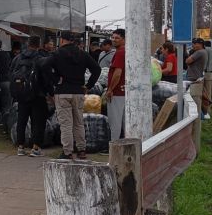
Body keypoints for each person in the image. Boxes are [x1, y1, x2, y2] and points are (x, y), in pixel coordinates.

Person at [44, 31, 101, 159]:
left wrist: (55, 79)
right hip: (79, 91)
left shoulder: (57, 54)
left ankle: (67, 151)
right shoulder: (83, 54)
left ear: (62, 40)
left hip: (62, 92)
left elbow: (44, 66)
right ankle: (81, 150)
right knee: (79, 122)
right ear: (73, 41)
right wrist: (88, 86)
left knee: (66, 124)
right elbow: (97, 69)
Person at [10, 35, 49, 157]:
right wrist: (49, 92)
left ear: (27, 44)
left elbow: (11, 73)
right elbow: (46, 78)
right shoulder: (41, 58)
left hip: (22, 94)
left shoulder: (18, 58)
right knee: (38, 121)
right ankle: (35, 148)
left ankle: (20, 147)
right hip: (38, 94)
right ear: (39, 45)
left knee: (21, 120)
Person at [104, 29, 126, 145]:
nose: (113, 40)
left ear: (124, 39)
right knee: (123, 121)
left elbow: (117, 73)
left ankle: (114, 146)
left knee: (115, 122)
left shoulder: (120, 53)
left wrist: (110, 90)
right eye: (112, 37)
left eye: (117, 38)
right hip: (124, 91)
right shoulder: (125, 51)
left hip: (117, 92)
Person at [185, 37, 210, 120]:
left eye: (195, 44)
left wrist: (190, 55)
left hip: (193, 77)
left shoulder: (199, 52)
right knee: (195, 99)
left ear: (201, 44)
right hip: (197, 76)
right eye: (193, 43)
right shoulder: (204, 52)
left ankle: (200, 117)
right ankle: (202, 116)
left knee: (192, 100)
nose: (193, 45)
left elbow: (188, 61)